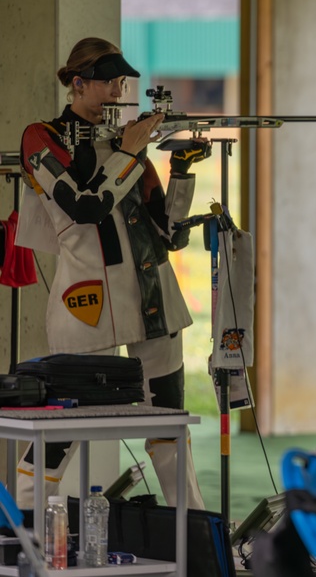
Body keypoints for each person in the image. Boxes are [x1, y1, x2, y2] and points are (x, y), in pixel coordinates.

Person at [15, 37, 208, 509]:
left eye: (122, 84)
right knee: (58, 434)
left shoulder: (127, 146)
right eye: (109, 83)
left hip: (154, 301)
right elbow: (85, 207)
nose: (118, 94)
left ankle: (195, 540)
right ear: (77, 84)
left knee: (169, 427)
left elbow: (172, 234)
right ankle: (19, 531)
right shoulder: (42, 137)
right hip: (86, 306)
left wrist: (180, 170)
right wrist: (129, 153)